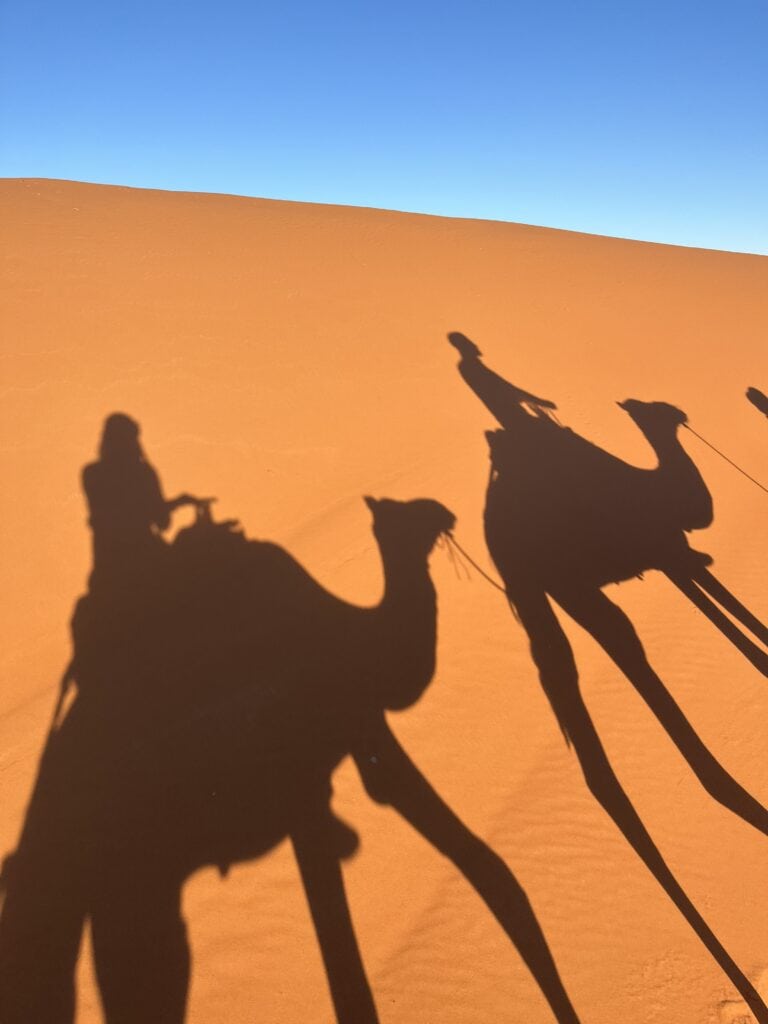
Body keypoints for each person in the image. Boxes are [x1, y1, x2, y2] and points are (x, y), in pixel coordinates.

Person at [82, 413, 201, 579]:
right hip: (143, 557)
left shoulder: (91, 473)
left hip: (106, 562)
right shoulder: (143, 473)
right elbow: (161, 520)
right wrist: (180, 502)